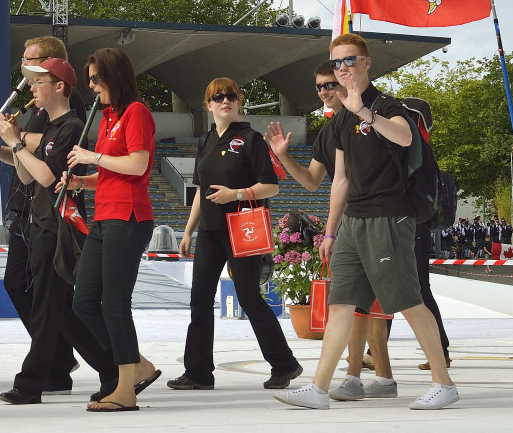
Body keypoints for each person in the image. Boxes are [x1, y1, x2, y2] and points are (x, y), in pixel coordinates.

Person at [275, 33, 457, 411]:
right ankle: (319, 388)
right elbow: (338, 180)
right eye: (337, 62)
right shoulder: (340, 120)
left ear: (367, 63)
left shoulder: (385, 104)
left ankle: (444, 382)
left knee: (408, 300)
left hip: (389, 216)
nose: (343, 69)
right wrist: (329, 229)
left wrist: (365, 113)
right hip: (355, 221)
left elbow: (405, 138)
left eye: (350, 61)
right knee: (341, 303)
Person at [0, 57, 115, 405]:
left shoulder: (72, 126)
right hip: (41, 223)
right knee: (61, 310)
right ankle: (114, 370)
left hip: (59, 226)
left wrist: (16, 139)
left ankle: (31, 382)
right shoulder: (51, 127)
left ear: (59, 87)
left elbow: (50, 179)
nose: (33, 89)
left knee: (49, 306)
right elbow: (27, 174)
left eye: (39, 82)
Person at [266, 63, 397, 400]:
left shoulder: (375, 113)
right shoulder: (329, 131)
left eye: (329, 83)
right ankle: (358, 378)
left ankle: (394, 378)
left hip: (386, 218)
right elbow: (312, 181)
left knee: (395, 303)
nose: (325, 91)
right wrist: (283, 159)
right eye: (319, 86)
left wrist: (331, 231)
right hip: (353, 223)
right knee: (354, 303)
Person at [169, 77, 301, 392]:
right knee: (199, 299)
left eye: (231, 96)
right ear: (208, 104)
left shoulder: (251, 139)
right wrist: (188, 231)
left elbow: (272, 186)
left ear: (238, 102)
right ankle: (198, 372)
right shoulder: (204, 141)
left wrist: (237, 194)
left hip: (243, 226)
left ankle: (284, 364)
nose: (224, 101)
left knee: (249, 297)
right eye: (217, 97)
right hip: (210, 232)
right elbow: (202, 190)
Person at [66, 47, 161, 412]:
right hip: (105, 216)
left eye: (95, 79)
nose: (91, 86)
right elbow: (111, 172)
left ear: (112, 76)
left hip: (129, 217)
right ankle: (137, 365)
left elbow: (138, 166)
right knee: (84, 301)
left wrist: (92, 157)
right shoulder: (108, 116)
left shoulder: (136, 112)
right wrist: (81, 181)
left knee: (114, 303)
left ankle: (125, 387)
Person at [2, 36, 86, 394]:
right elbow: (28, 165)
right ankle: (68, 362)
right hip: (30, 207)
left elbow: (48, 168)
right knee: (43, 298)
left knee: (52, 300)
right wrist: (1, 147)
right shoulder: (41, 110)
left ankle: (45, 371)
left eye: (34, 68)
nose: (29, 79)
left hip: (54, 215)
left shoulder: (66, 112)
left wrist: (16, 137)